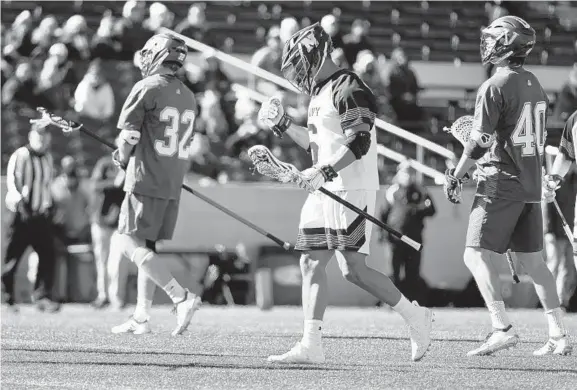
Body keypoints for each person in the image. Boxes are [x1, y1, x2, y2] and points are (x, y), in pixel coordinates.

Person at [258, 23, 433, 364]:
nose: (297, 72)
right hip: (325, 186)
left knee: (353, 268)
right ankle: (311, 344)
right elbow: (316, 144)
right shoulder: (319, 93)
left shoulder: (348, 85)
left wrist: (323, 171)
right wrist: (283, 125)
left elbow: (359, 141)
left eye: (299, 62)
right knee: (310, 261)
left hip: (350, 186)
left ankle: (416, 317)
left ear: (314, 54)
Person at [444, 16, 571, 356]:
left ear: (504, 44)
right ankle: (559, 335)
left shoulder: (494, 85)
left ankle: (501, 327)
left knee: (474, 254)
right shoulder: (534, 82)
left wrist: (457, 173)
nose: (486, 45)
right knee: (536, 264)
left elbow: (480, 140)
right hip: (530, 184)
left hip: (502, 183)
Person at [109, 33, 201, 336]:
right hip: (171, 180)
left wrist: (121, 157)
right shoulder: (188, 95)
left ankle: (180, 296)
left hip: (145, 176)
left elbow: (129, 137)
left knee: (126, 242)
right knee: (148, 248)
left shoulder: (146, 87)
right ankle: (142, 316)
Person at [2, 123, 58, 313]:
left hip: (40, 215)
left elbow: (46, 185)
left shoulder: (48, 157)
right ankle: (6, 297)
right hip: (21, 214)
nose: (42, 138)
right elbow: (12, 182)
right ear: (30, 135)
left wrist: (48, 205)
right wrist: (20, 204)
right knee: (13, 257)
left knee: (48, 254)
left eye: (45, 135)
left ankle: (42, 296)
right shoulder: (21, 155)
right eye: (38, 134)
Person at [380, 163, 436, 302]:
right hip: (395, 240)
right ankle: (392, 302)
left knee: (413, 274)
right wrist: (382, 235)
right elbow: (383, 215)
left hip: (414, 240)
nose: (408, 175)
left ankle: (413, 303)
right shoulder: (392, 191)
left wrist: (418, 209)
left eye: (410, 172)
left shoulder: (421, 191)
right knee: (394, 273)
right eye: (405, 172)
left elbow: (432, 211)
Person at [89, 151, 125, 309]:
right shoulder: (105, 163)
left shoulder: (131, 164)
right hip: (101, 219)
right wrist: (115, 182)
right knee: (101, 261)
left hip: (119, 221)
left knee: (117, 262)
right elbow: (95, 185)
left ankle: (116, 297)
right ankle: (102, 295)